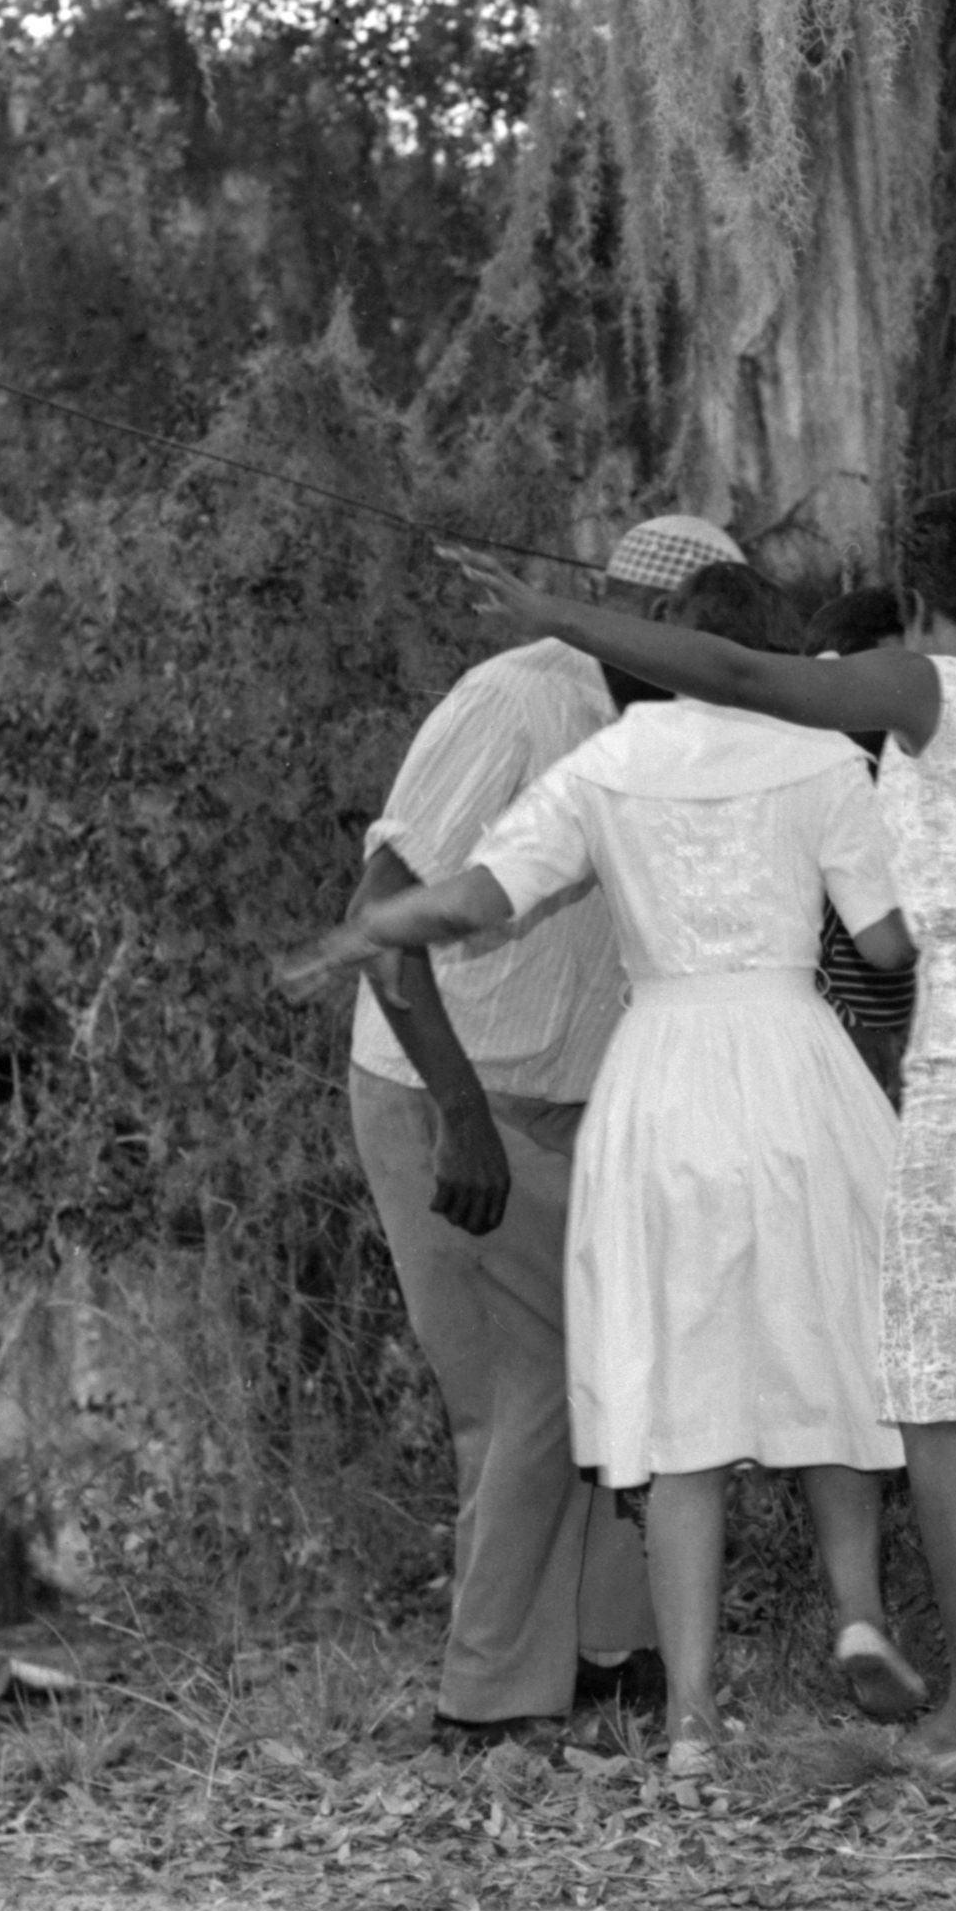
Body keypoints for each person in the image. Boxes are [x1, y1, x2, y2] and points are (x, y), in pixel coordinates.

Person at [443, 492, 956, 1780]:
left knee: (935, 1387)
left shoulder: (926, 683)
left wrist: (552, 614)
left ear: (917, 596)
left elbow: (740, 670)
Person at [276, 560, 920, 1782]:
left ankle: (684, 1720)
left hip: (662, 1074)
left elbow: (484, 889)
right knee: (836, 1344)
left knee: (667, 1391)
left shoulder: (608, 766)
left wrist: (379, 928)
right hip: (797, 1066)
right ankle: (857, 1612)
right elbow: (885, 942)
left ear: (656, 648)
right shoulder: (828, 760)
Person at [334, 511, 735, 1753]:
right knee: (529, 1389)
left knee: (617, 1374)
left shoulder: (683, 723)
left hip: (588, 1101)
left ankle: (605, 1653)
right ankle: (489, 1696)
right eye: (680, 627)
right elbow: (385, 913)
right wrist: (461, 1116)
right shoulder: (515, 699)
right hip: (448, 1090)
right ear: (621, 605)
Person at [803, 583, 923, 1105]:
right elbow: (889, 948)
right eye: (895, 673)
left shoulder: (908, 766)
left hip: (903, 1026)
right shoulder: (816, 770)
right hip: (837, 1032)